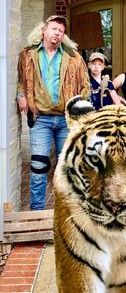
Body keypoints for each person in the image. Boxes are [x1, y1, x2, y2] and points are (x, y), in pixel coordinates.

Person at [17, 15, 90, 210]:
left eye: (61, 31)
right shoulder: (28, 55)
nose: (57, 33)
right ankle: (36, 212)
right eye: (54, 29)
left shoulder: (73, 58)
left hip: (65, 121)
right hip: (40, 120)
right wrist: (20, 95)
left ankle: (65, 214)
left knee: (66, 170)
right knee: (38, 168)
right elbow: (20, 80)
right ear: (44, 30)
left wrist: (77, 108)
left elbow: (86, 86)